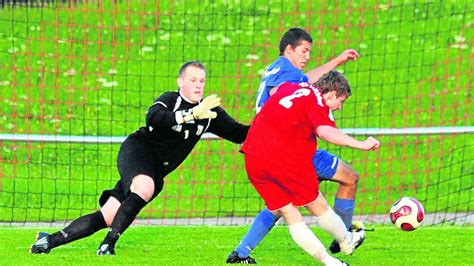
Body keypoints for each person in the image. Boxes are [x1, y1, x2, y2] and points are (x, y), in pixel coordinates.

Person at [30, 61, 250, 255]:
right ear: (180, 81)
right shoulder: (170, 99)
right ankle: (107, 246)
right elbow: (154, 118)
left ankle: (48, 240)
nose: (198, 84)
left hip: (156, 170)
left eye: (202, 80)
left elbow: (240, 133)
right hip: (137, 150)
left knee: (108, 216)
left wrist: (272, 119)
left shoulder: (210, 113)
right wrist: (190, 114)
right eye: (192, 79)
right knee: (144, 187)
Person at [227, 28, 362, 264]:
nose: (308, 56)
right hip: (288, 146)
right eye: (304, 50)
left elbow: (307, 82)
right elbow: (308, 100)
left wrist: (338, 60)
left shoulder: (280, 71)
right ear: (289, 49)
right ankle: (343, 239)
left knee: (281, 206)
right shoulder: (290, 77)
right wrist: (359, 144)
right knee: (345, 179)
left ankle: (241, 253)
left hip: (259, 149)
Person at [241, 71, 380, 265]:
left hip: (253, 157)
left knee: (290, 214)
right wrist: (361, 144)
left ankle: (332, 261)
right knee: (317, 204)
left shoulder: (292, 86)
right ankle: (347, 242)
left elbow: (275, 93)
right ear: (331, 93)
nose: (339, 107)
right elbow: (324, 131)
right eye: (340, 101)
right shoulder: (318, 102)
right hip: (282, 159)